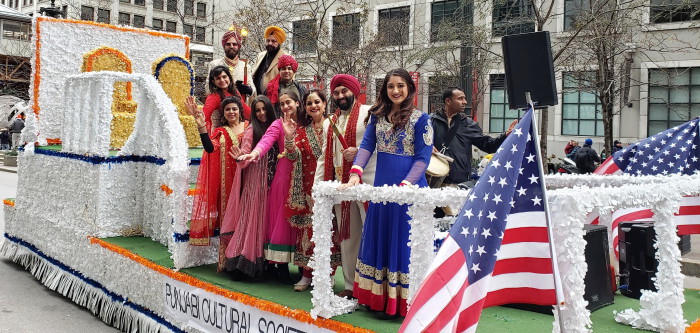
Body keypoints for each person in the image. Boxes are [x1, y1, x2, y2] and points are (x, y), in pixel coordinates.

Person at [339, 68, 433, 319]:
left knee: (402, 243)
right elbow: (367, 146)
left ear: (410, 89)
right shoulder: (377, 116)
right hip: (382, 191)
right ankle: (377, 299)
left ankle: (402, 303)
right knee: (380, 238)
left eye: (401, 86)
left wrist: (404, 188)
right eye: (391, 86)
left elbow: (423, 160)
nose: (395, 91)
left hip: (407, 193)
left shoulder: (421, 119)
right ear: (384, 90)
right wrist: (356, 173)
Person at [314, 74, 376, 299]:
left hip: (367, 185)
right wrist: (318, 186)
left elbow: (380, 146)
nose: (340, 96)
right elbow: (324, 156)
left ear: (354, 91)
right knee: (348, 239)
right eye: (337, 92)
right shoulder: (331, 121)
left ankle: (372, 286)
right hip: (341, 188)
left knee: (371, 235)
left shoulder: (370, 114)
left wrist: (358, 152)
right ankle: (350, 285)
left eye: (344, 91)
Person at [237, 91, 303, 284]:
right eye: (281, 104)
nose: (285, 107)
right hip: (283, 178)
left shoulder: (306, 123)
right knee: (281, 222)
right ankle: (281, 266)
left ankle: (303, 267)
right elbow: (267, 141)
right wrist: (254, 153)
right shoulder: (277, 124)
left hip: (305, 178)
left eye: (288, 102)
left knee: (302, 223)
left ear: (298, 103)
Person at [283, 89, 340, 291]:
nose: (313, 106)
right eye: (309, 103)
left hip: (331, 186)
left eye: (317, 102)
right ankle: (307, 275)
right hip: (308, 188)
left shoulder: (334, 126)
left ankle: (329, 274)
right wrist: (289, 138)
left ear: (325, 104)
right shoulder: (301, 131)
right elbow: (292, 156)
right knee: (310, 231)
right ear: (305, 108)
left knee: (330, 231)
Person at [187, 95, 248, 273]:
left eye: (234, 109)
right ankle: (228, 261)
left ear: (240, 111)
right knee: (228, 220)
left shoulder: (249, 128)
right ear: (223, 113)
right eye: (227, 109)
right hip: (227, 185)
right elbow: (209, 148)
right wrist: (200, 125)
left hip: (248, 180)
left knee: (247, 218)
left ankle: (248, 260)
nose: (231, 112)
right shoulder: (220, 132)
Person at [223, 95, 278, 280]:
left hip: (273, 183)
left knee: (266, 224)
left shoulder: (277, 127)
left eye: (264, 109)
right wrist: (241, 158)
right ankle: (244, 264)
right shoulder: (251, 130)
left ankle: (269, 264)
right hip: (255, 184)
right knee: (251, 223)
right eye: (257, 110)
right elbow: (246, 156)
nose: (262, 113)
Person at [206, 27, 256, 107]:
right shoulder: (214, 64)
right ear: (224, 46)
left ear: (238, 46)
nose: (231, 46)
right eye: (228, 44)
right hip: (219, 108)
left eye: (234, 44)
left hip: (238, 110)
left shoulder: (245, 66)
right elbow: (208, 89)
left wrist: (248, 90)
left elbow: (253, 89)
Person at [203, 66, 251, 131]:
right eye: (218, 78)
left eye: (224, 77)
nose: (222, 80)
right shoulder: (213, 97)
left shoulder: (235, 91)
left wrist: (258, 116)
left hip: (239, 128)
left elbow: (245, 109)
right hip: (223, 133)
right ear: (213, 82)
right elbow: (204, 117)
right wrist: (206, 135)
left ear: (229, 77)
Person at [251, 26, 288, 95]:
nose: (270, 43)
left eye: (273, 41)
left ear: (279, 43)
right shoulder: (260, 56)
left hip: (275, 99)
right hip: (257, 98)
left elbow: (288, 83)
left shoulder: (286, 58)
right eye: (268, 41)